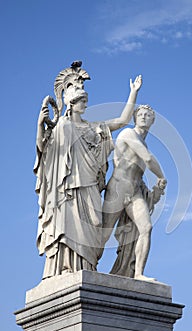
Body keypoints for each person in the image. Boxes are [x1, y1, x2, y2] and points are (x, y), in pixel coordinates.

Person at [34, 61, 142, 279]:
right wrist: (41, 124)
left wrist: (133, 93)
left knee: (93, 227)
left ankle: (87, 268)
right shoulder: (63, 127)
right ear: (71, 104)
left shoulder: (94, 126)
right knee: (69, 227)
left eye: (85, 101)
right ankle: (66, 268)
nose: (85, 105)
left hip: (90, 186)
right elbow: (44, 149)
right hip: (69, 189)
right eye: (81, 101)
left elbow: (122, 120)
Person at [101, 105, 167, 282]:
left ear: (152, 121)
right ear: (135, 118)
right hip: (118, 189)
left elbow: (138, 172)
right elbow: (147, 158)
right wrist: (161, 176)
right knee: (104, 234)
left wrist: (154, 189)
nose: (144, 117)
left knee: (146, 228)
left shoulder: (143, 140)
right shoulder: (128, 134)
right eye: (141, 115)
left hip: (135, 191)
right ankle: (88, 266)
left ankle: (138, 273)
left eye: (148, 115)